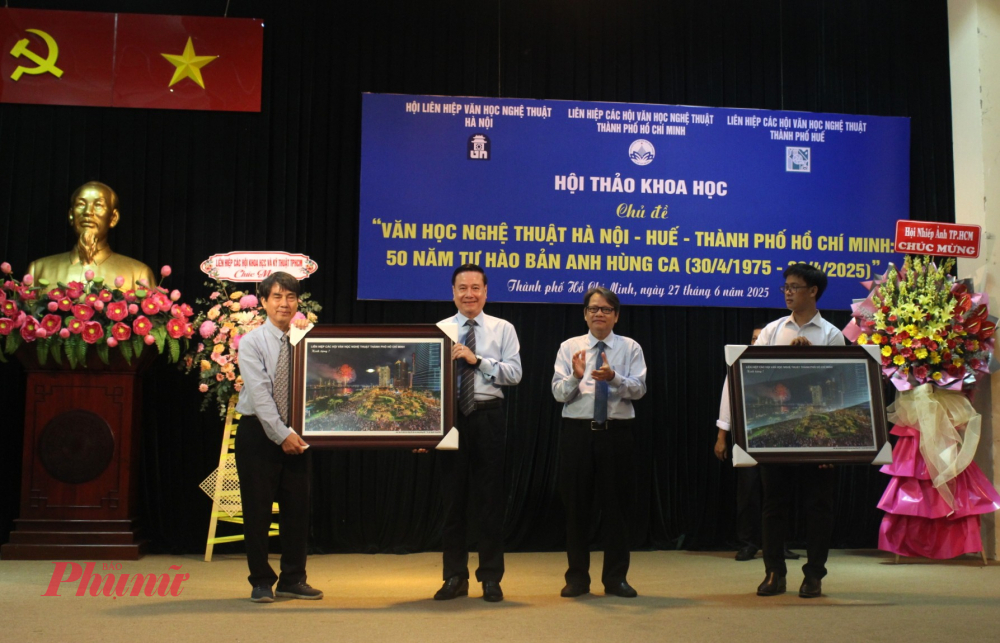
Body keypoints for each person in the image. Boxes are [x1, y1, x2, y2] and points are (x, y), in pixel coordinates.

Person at [716, 263, 844, 599]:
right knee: (773, 506)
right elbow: (753, 377)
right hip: (778, 430)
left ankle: (814, 575)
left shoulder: (831, 334)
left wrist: (832, 443)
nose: (787, 292)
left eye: (794, 287)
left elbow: (838, 389)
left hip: (818, 434)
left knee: (818, 507)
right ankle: (774, 572)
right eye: (785, 287)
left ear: (813, 291)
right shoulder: (772, 331)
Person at [434, 264, 522, 603]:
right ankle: (454, 576)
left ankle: (491, 578)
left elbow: (514, 374)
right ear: (452, 292)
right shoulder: (440, 329)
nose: (469, 294)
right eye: (462, 288)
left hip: (488, 416)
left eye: (475, 288)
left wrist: (477, 360)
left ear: (486, 292)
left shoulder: (503, 328)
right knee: (452, 501)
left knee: (490, 501)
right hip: (450, 419)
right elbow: (428, 381)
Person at [552, 287, 647, 598]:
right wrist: (576, 377)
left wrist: (614, 378)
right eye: (593, 309)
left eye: (606, 309)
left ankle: (616, 579)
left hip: (617, 434)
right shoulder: (569, 347)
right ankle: (577, 578)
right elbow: (558, 394)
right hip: (578, 433)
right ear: (585, 314)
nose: (599, 314)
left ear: (616, 316)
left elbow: (640, 390)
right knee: (576, 507)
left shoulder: (630, 347)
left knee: (617, 508)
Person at [234, 271, 322, 603]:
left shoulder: (307, 341)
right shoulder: (252, 342)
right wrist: (282, 434)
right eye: (277, 297)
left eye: (291, 297)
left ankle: (293, 579)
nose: (284, 303)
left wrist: (297, 432)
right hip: (259, 433)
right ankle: (260, 580)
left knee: (297, 511)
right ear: (263, 302)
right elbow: (260, 396)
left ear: (298, 302)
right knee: (257, 511)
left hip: (298, 433)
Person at [715, 324, 801, 563]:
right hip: (749, 437)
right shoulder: (739, 365)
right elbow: (727, 401)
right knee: (748, 492)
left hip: (781, 436)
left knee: (779, 492)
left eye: (761, 338)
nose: (757, 342)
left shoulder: (783, 367)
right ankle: (748, 543)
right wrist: (722, 437)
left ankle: (779, 544)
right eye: (754, 338)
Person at [28, 181, 157, 291]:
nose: (88, 212)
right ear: (71, 215)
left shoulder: (138, 273)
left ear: (113, 218)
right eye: (81, 204)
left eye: (98, 205)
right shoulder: (39, 269)